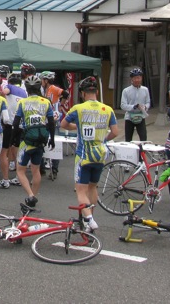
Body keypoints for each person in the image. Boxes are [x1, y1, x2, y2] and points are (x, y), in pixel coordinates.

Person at [60, 76, 118, 232]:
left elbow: (63, 124)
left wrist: (77, 127)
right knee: (92, 187)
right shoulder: (108, 109)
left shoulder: (78, 108)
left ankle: (89, 220)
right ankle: (90, 216)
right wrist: (103, 139)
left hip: (84, 155)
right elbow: (115, 132)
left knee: (80, 190)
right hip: (100, 153)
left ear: (82, 94)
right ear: (97, 92)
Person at [13, 75, 56, 207]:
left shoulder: (22, 102)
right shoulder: (46, 102)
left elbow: (16, 123)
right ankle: (33, 198)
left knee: (20, 171)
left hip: (27, 140)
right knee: (36, 170)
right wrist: (52, 139)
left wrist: (15, 139)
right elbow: (51, 123)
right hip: (41, 140)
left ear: (26, 88)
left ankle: (30, 195)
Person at [40, 71, 68, 180]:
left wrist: (61, 105)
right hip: (45, 119)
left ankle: (54, 168)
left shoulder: (54, 88)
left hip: (53, 119)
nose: (42, 82)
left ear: (46, 80)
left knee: (54, 142)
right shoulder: (43, 90)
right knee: (42, 142)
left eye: (42, 80)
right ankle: (41, 167)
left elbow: (66, 94)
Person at [120, 68, 151, 142]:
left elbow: (148, 102)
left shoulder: (145, 90)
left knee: (143, 138)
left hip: (141, 116)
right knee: (128, 140)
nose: (137, 80)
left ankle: (142, 152)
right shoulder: (126, 91)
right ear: (131, 79)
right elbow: (123, 105)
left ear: (141, 78)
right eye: (135, 78)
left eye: (138, 78)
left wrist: (145, 107)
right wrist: (134, 106)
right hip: (129, 117)